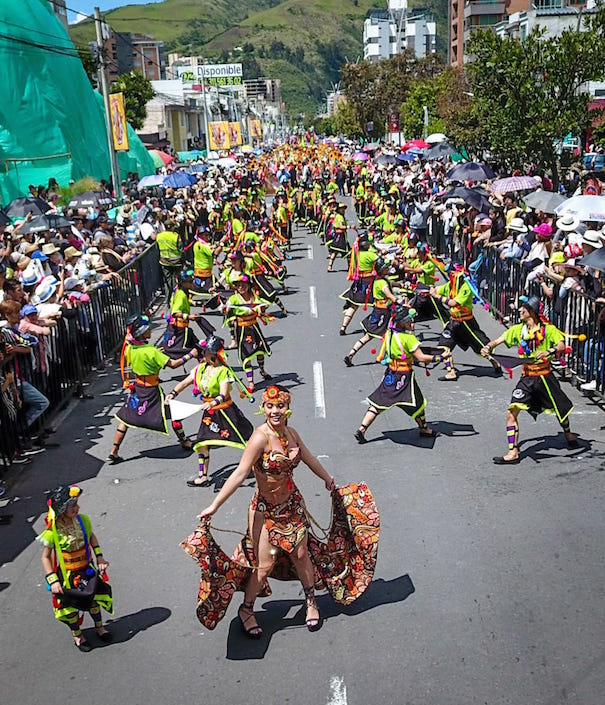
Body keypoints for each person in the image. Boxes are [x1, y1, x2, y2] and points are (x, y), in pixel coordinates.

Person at [199, 385, 335, 637]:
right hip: (265, 510)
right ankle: (246, 610)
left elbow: (308, 457)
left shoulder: (291, 433)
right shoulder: (259, 437)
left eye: (280, 406)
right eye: (270, 406)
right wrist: (214, 505)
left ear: (287, 408)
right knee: (264, 565)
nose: (275, 411)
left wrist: (327, 478)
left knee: (302, 554)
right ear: (263, 407)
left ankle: (310, 602)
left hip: (292, 506)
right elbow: (240, 474)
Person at [481, 296, 578, 464]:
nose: (519, 311)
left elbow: (562, 345)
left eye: (523, 309)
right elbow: (500, 339)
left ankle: (568, 433)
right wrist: (488, 347)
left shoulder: (548, 330)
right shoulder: (519, 330)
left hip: (545, 377)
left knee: (560, 408)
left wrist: (549, 351)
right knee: (511, 412)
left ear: (531, 312)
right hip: (527, 378)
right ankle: (513, 452)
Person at [165, 335, 254, 487]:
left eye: (205, 352)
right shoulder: (200, 368)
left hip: (225, 411)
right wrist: (172, 394)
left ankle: (256, 462)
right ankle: (203, 476)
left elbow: (224, 393)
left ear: (213, 354)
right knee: (201, 443)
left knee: (243, 438)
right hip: (209, 414)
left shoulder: (223, 371)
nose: (202, 354)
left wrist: (213, 402)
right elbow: (185, 382)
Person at [107, 314, 198, 463]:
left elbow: (145, 356)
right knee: (174, 414)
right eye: (148, 329)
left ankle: (114, 450)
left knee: (125, 418)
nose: (150, 331)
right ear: (142, 333)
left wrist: (156, 354)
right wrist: (190, 354)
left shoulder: (131, 348)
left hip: (137, 389)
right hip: (151, 391)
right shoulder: (152, 352)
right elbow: (174, 364)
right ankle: (184, 441)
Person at [354, 304, 448, 443]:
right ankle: (424, 429)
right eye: (409, 320)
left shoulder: (390, 333)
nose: (411, 322)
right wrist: (439, 358)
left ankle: (362, 429)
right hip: (404, 376)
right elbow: (421, 357)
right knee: (419, 402)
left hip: (391, 373)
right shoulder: (408, 339)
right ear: (403, 322)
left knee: (378, 402)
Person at [38, 485, 113, 652]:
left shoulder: (83, 520)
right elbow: (45, 557)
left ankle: (100, 628)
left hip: (87, 570)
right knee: (70, 608)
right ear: (62, 510)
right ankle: (78, 635)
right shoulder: (53, 531)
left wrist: (99, 556)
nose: (77, 509)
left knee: (94, 601)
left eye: (77, 505)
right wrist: (53, 579)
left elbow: (91, 537)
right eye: (72, 507)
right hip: (67, 576)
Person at [429, 266, 503, 381]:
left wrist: (437, 296)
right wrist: (428, 290)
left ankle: (495, 363)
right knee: (443, 346)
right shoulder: (450, 286)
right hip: (453, 323)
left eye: (453, 274)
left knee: (482, 346)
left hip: (466, 323)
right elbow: (438, 289)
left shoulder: (466, 288)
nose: (451, 276)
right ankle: (451, 372)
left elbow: (454, 303)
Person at [344, 257, 398, 366]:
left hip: (377, 311)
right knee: (392, 333)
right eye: (386, 268)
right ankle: (390, 357)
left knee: (368, 336)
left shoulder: (378, 281)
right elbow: (390, 295)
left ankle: (351, 354)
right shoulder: (383, 284)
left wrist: (402, 285)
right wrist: (400, 301)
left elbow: (391, 283)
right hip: (385, 313)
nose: (388, 269)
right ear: (382, 270)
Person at [223, 274, 272, 392]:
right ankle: (251, 382)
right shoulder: (233, 299)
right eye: (238, 285)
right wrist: (226, 309)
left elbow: (260, 308)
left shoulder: (254, 297)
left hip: (254, 327)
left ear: (249, 286)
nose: (240, 287)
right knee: (246, 356)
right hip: (242, 330)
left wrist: (263, 308)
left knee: (259, 351)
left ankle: (262, 370)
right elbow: (227, 309)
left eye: (243, 285)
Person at [157, 269, 214, 359]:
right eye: (190, 282)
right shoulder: (181, 295)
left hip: (182, 328)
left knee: (197, 348)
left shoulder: (179, 290)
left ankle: (204, 365)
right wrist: (189, 317)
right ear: (182, 283)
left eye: (192, 280)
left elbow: (184, 302)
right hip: (179, 330)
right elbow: (175, 313)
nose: (192, 283)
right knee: (170, 350)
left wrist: (196, 303)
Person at [339, 232, 377, 335]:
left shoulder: (355, 253)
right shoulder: (370, 255)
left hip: (358, 282)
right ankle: (372, 326)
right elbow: (380, 261)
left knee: (353, 306)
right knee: (377, 305)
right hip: (369, 282)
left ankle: (343, 327)